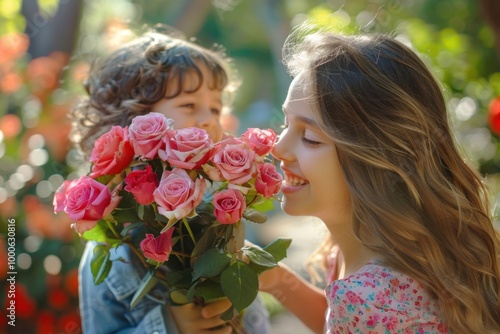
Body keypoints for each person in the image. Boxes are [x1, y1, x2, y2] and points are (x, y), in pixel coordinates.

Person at [260, 27, 500, 333]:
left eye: (309, 138)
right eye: (285, 123)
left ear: (377, 162)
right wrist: (277, 279)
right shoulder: (378, 251)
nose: (278, 148)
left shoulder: (366, 300)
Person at [72, 28, 270, 334]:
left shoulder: (222, 218)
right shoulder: (115, 249)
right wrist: (167, 326)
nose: (209, 119)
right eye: (190, 105)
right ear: (134, 120)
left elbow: (256, 320)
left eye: (216, 108)